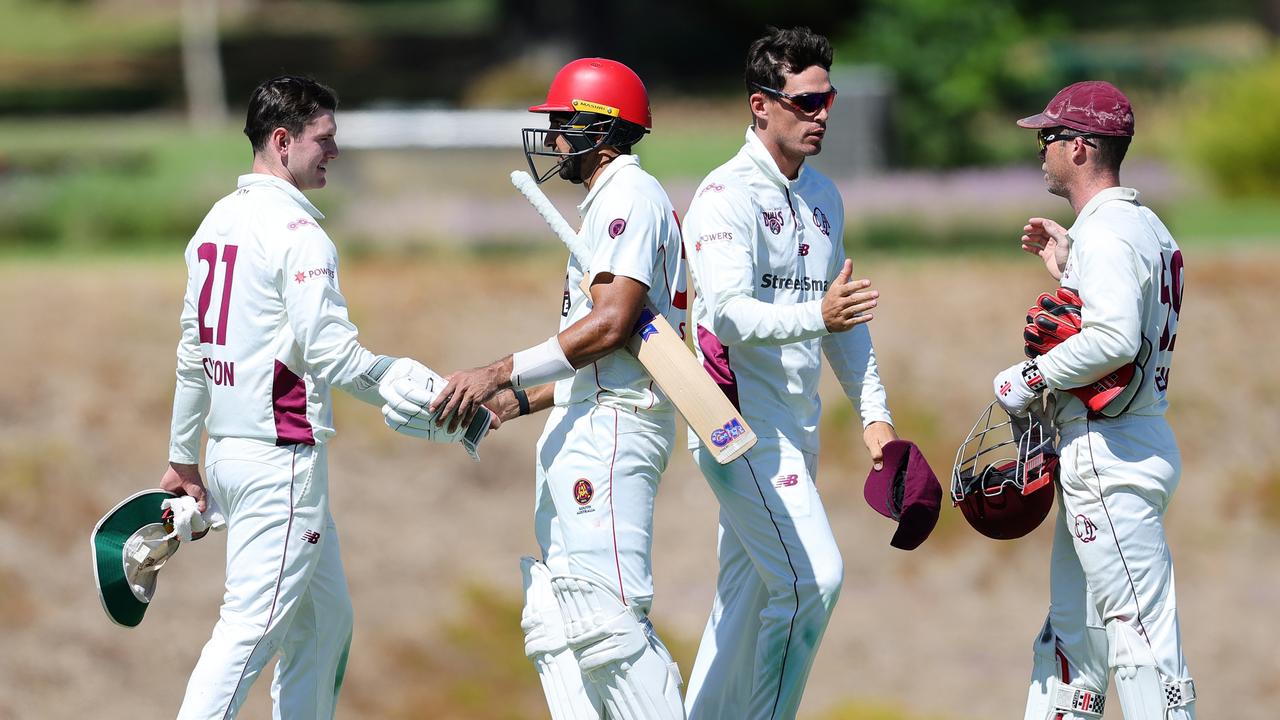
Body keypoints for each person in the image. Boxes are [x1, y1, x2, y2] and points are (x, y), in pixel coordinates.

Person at [159, 75, 469, 719]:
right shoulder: (300, 235)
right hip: (281, 462)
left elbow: (192, 353)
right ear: (282, 141)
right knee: (249, 630)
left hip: (231, 457)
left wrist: (184, 457)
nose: (335, 151)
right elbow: (330, 353)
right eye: (324, 139)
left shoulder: (216, 222)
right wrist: (413, 388)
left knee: (325, 622)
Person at [428, 58, 686, 718]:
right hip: (588, 416)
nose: (554, 140)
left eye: (564, 124)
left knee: (608, 623)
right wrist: (516, 401)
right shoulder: (609, 199)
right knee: (558, 619)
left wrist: (499, 370)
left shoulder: (630, 196)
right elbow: (606, 348)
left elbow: (612, 325)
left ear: (601, 130)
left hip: (617, 426)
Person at [678, 27, 897, 720]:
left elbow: (844, 319)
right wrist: (819, 316)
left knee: (740, 613)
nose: (823, 113)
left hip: (795, 433)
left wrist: (876, 420)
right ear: (760, 105)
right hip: (736, 430)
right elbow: (731, 317)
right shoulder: (723, 195)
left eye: (827, 98)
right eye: (807, 101)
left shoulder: (826, 195)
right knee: (812, 582)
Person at [993, 80, 1195, 719]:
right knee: (1073, 639)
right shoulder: (1142, 226)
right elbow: (1119, 312)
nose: (1042, 148)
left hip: (1110, 453)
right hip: (1130, 441)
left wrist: (1027, 379)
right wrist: (1067, 267)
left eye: (1050, 137)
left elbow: (1111, 337)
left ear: (1081, 148)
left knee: (1138, 637)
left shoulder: (1107, 235)